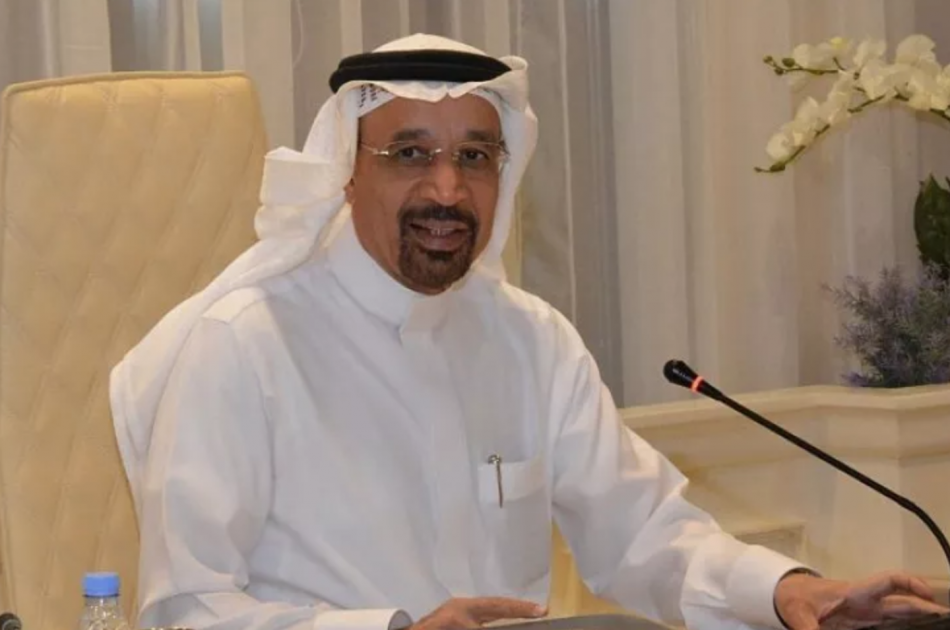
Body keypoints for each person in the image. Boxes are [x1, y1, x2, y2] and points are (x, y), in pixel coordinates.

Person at [110, 33, 946, 630]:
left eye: (475, 157)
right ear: (346, 172)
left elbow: (642, 534)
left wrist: (786, 590)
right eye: (410, 154)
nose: (447, 189)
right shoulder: (243, 345)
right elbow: (187, 608)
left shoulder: (531, 341)